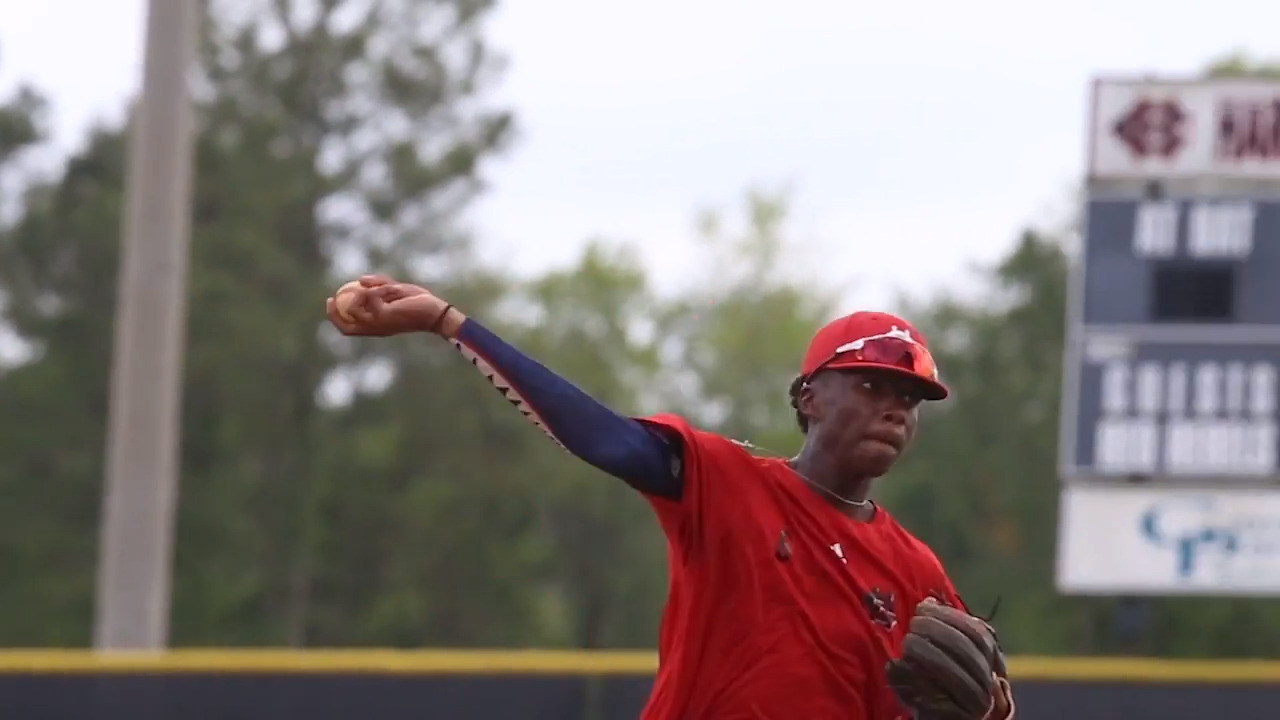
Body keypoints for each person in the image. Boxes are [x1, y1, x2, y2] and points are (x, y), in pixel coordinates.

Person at [327, 275, 1014, 720]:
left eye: (909, 398)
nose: (894, 408)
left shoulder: (917, 573)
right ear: (810, 397)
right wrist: (450, 323)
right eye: (871, 385)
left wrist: (992, 715)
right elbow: (602, 438)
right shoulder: (728, 485)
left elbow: (982, 702)